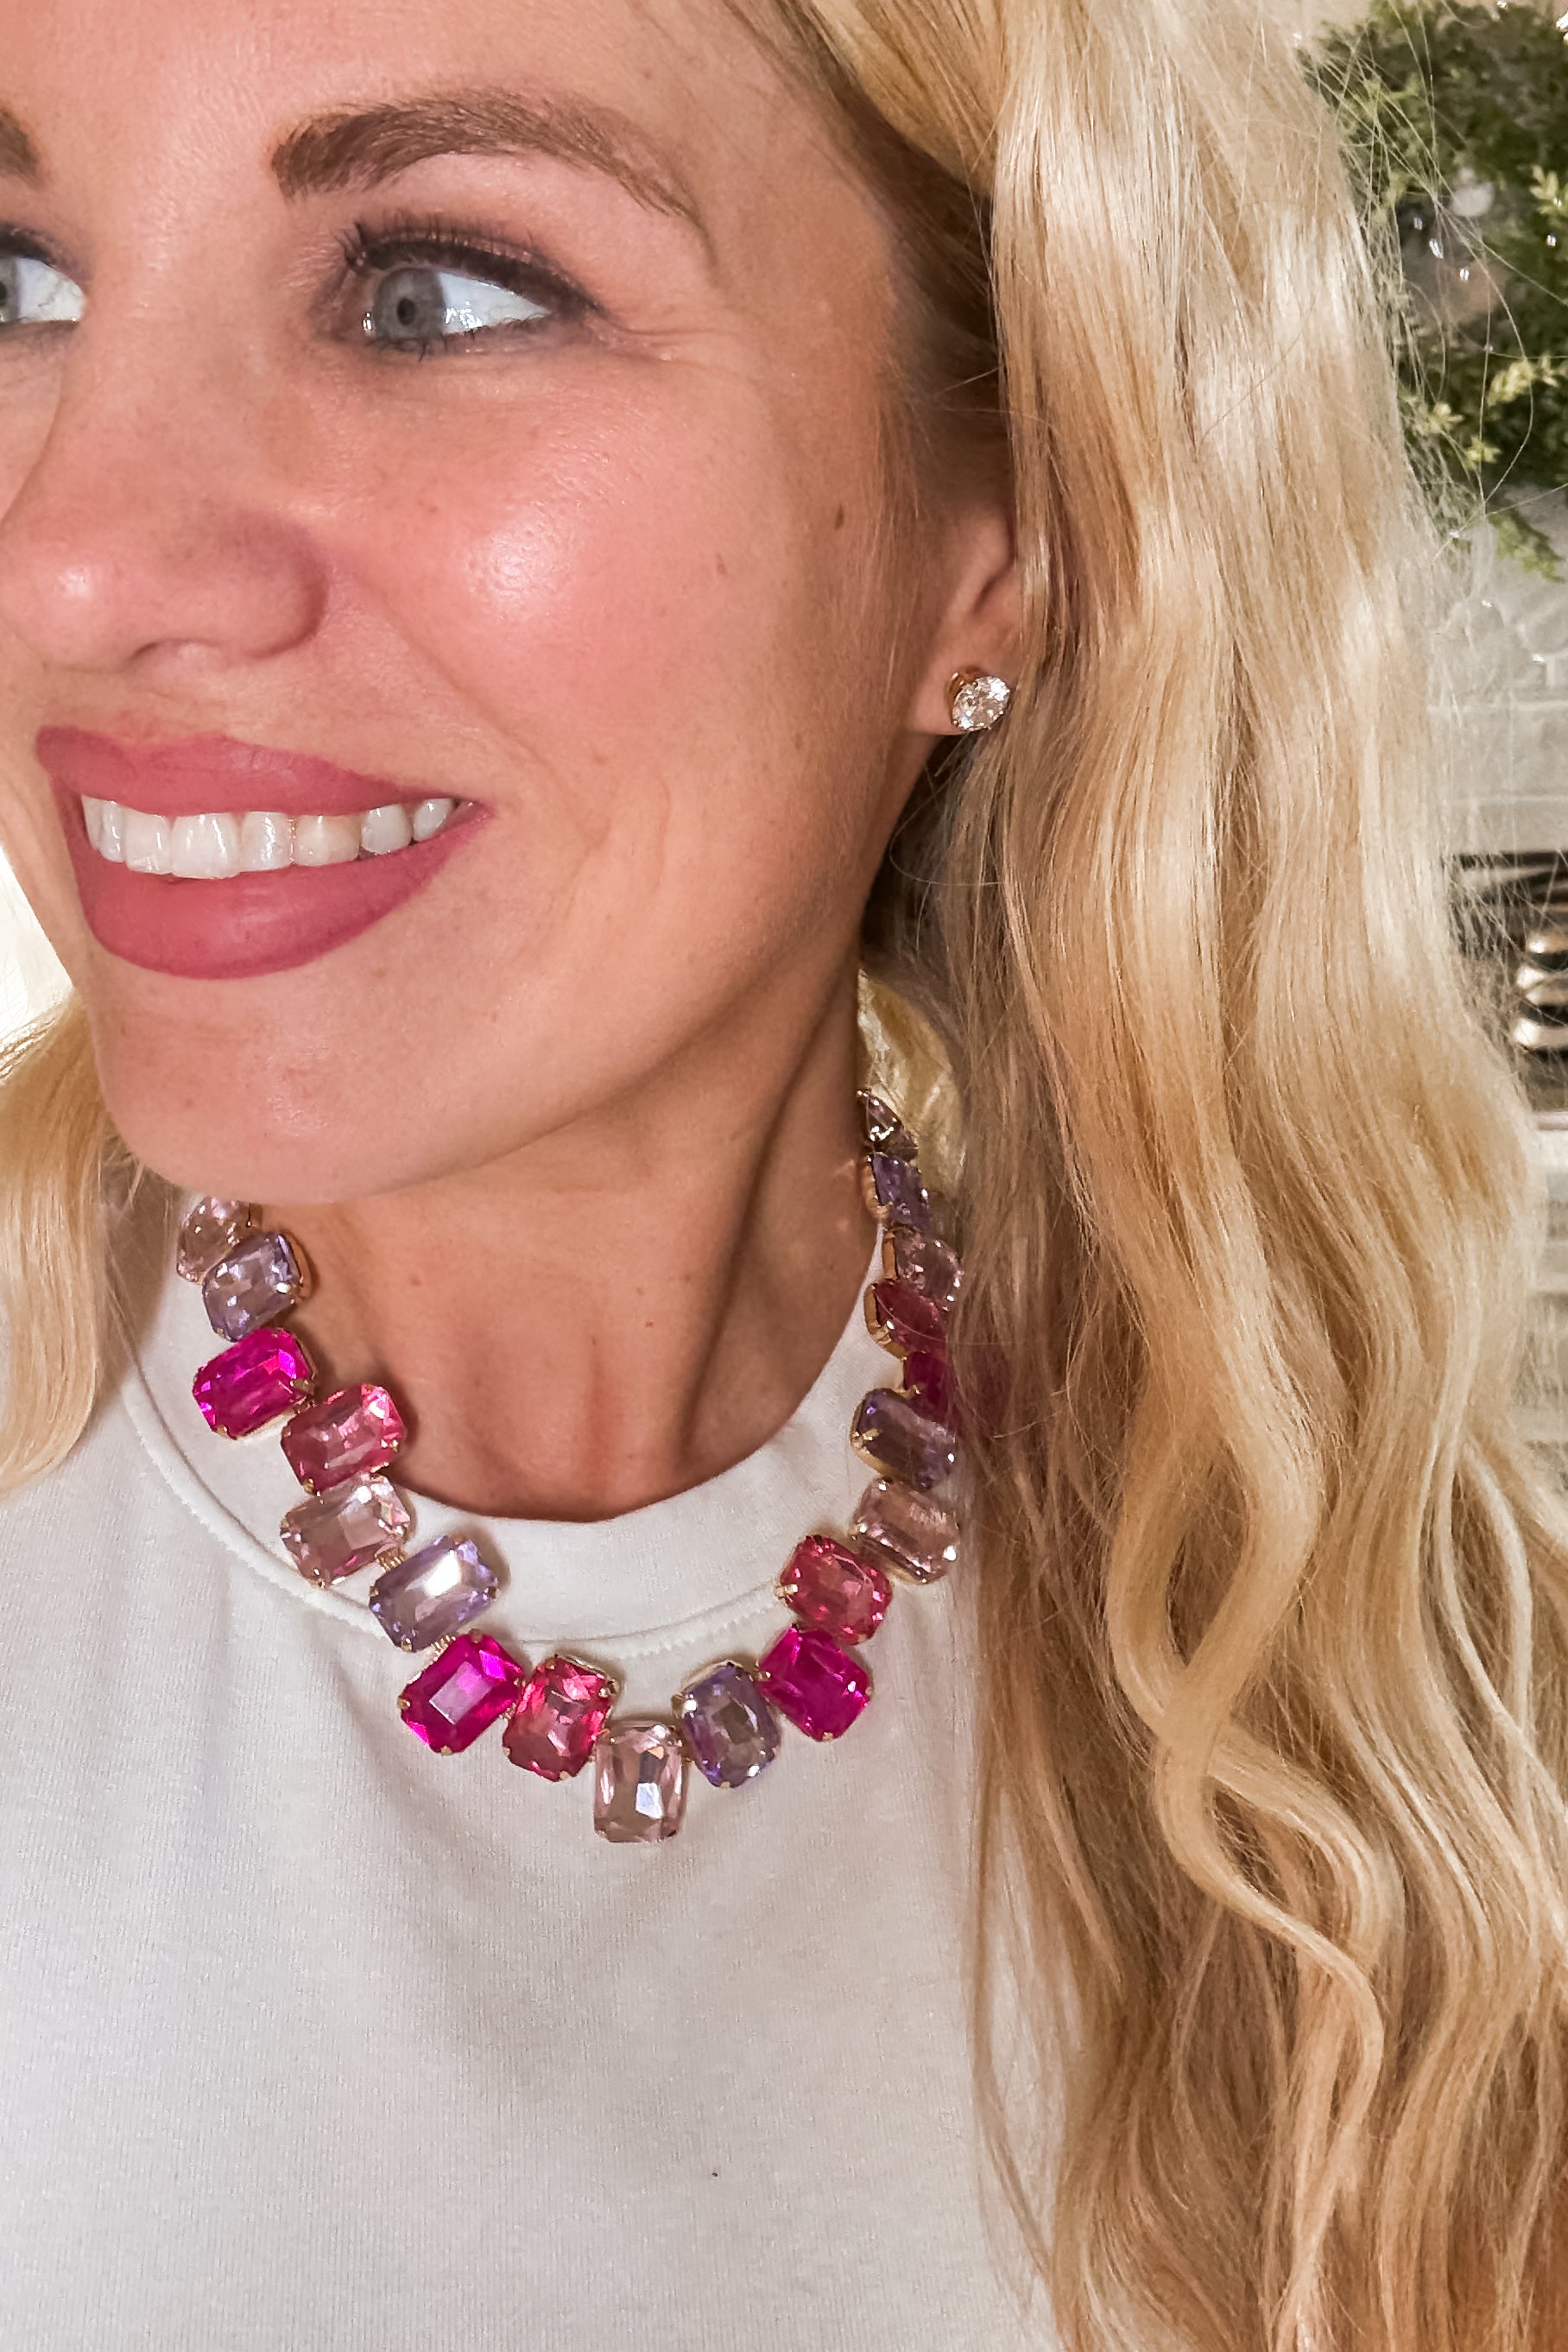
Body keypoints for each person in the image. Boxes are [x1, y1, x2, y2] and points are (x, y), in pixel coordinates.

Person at [0, 0, 1563, 2346]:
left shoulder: (1397, 1738)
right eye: (18, 277)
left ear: (1005, 530)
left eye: (432, 291)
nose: (70, 561)